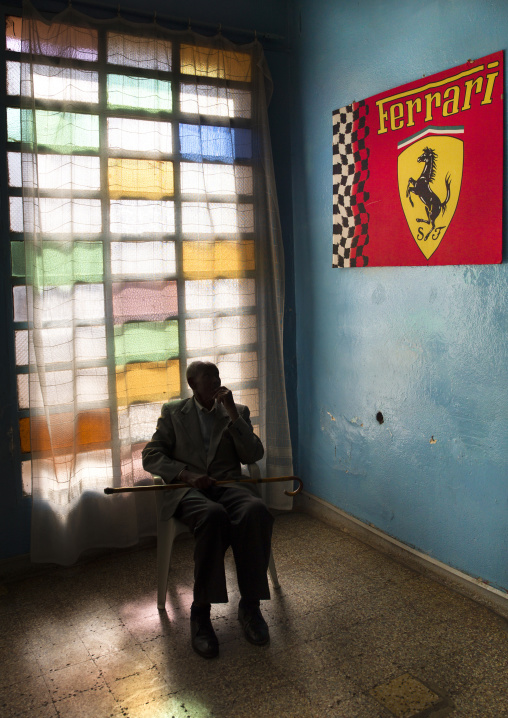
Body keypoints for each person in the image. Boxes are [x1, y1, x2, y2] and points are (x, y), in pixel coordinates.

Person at [142, 360, 273, 659]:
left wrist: (231, 415)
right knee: (213, 517)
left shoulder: (236, 412)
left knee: (256, 510)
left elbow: (253, 453)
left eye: (218, 377)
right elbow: (151, 454)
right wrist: (186, 475)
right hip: (189, 490)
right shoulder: (174, 413)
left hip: (229, 486)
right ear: (192, 384)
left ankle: (250, 607)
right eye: (208, 379)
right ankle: (200, 613)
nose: (216, 383)